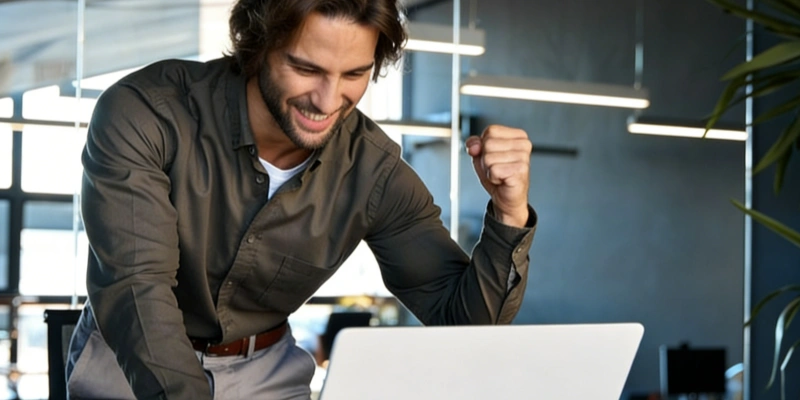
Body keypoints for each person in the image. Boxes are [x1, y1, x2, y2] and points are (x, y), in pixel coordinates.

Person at [65, 0, 537, 399]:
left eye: (355, 73)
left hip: (268, 374)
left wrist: (509, 212)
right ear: (259, 43)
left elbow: (463, 322)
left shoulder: (374, 172)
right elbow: (137, 289)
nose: (328, 100)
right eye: (306, 68)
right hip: (126, 365)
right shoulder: (146, 112)